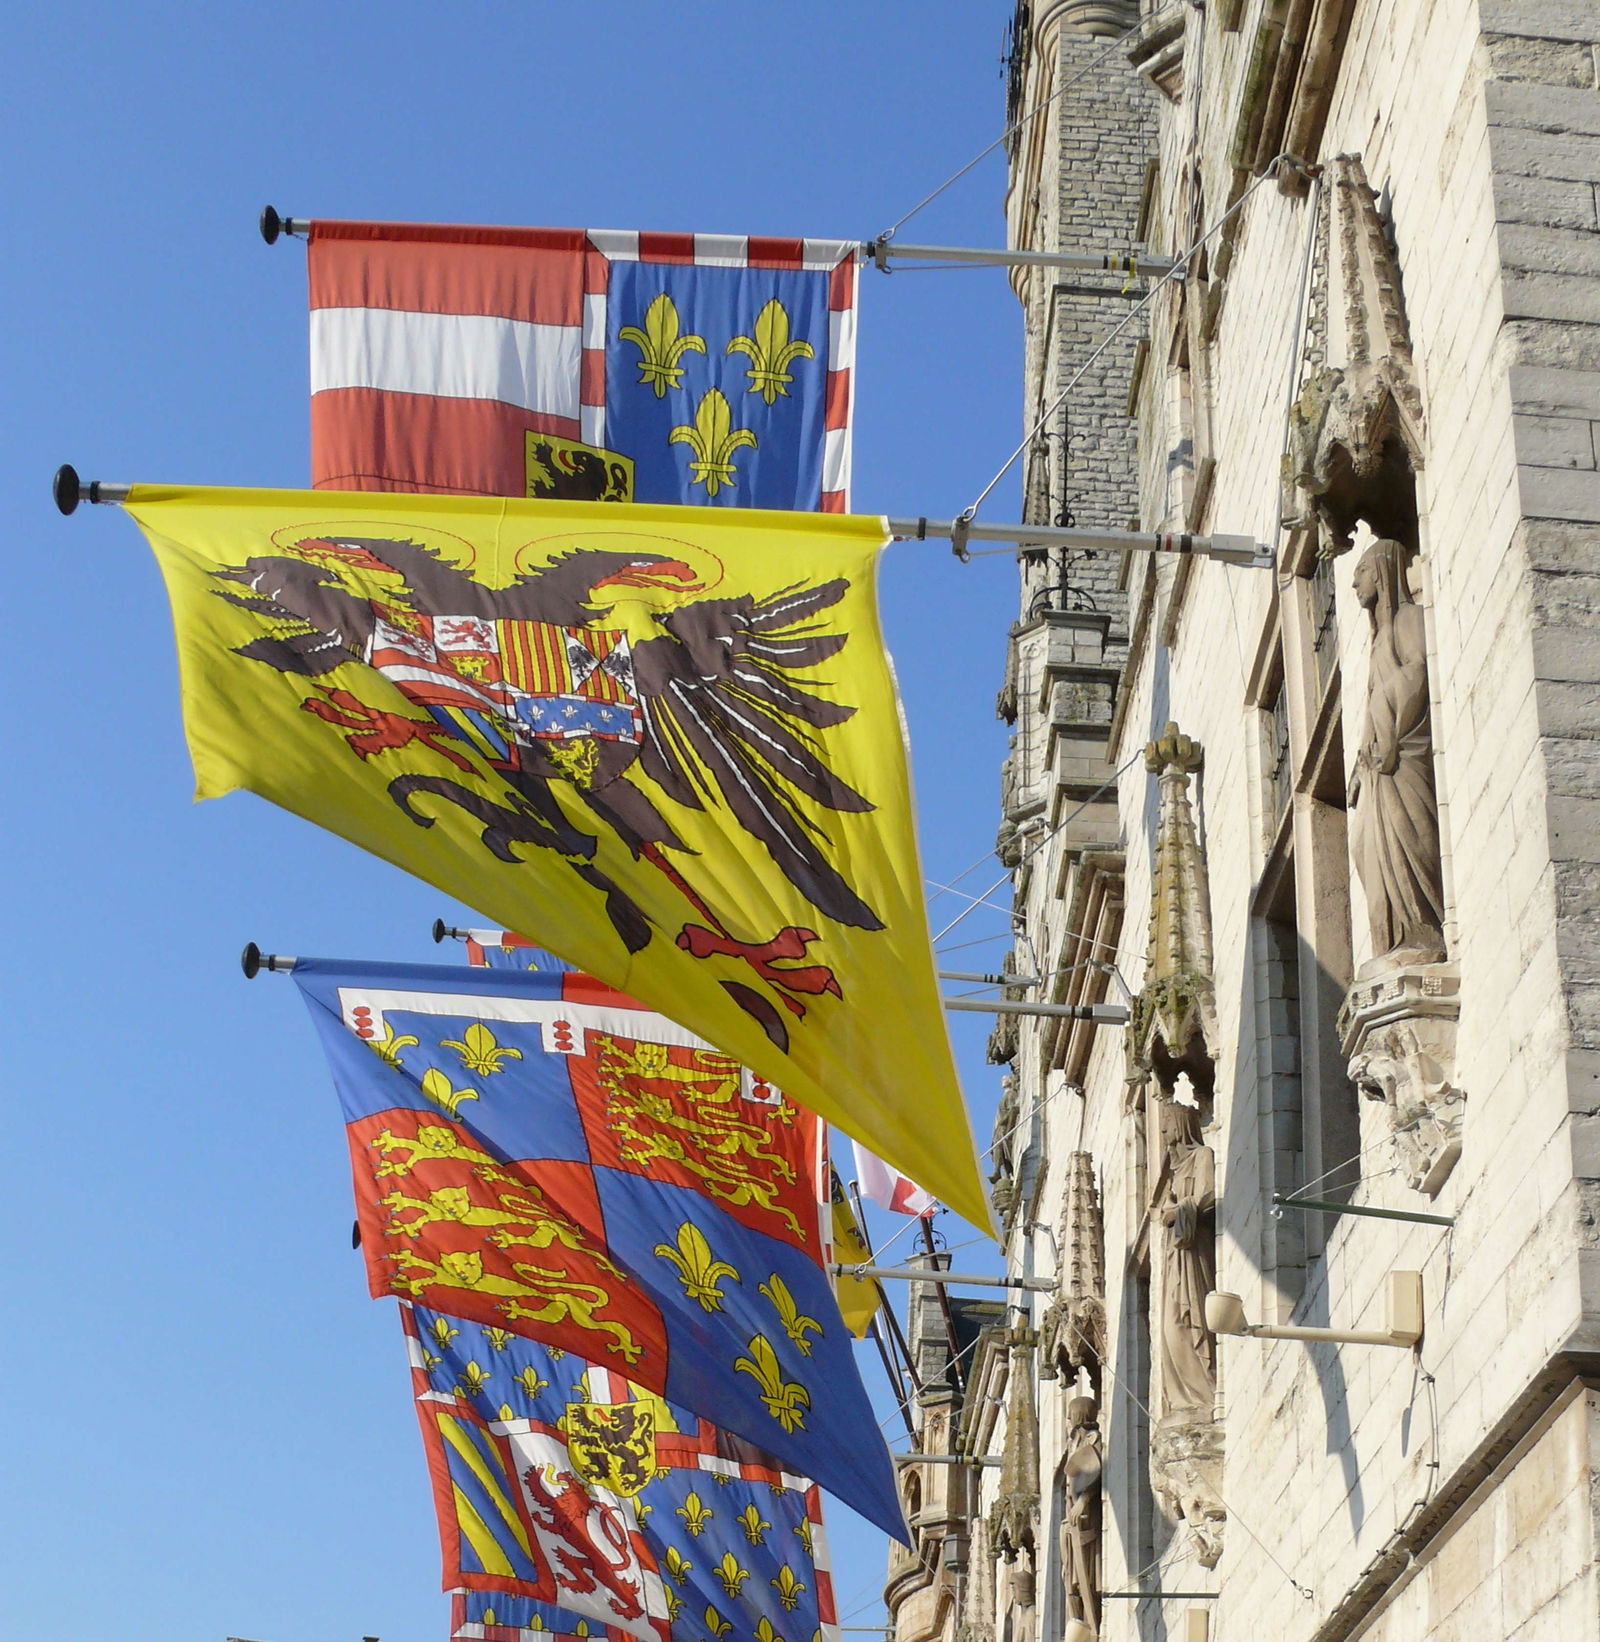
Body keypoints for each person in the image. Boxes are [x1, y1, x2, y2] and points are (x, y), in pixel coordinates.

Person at [1348, 538, 1446, 965]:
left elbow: (1418, 672)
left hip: (1403, 753)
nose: (1354, 583)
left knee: (1411, 837)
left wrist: (1385, 724)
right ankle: (1390, 940)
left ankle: (1422, 932)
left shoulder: (1409, 619)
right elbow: (1374, 697)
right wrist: (1360, 765)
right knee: (1363, 847)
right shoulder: (1376, 640)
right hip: (1379, 763)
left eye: (1361, 572)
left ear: (1382, 572)